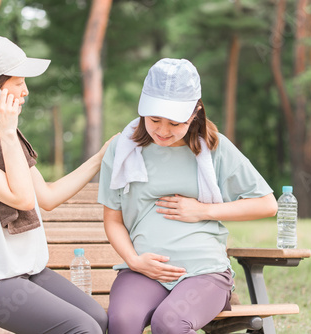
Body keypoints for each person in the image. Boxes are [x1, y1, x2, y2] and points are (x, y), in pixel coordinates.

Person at [0, 34, 111, 334]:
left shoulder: (7, 138)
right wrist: (8, 133)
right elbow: (21, 198)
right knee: (82, 329)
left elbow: (46, 197)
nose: (26, 91)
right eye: (18, 82)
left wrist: (100, 158)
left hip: (27, 273)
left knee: (98, 320)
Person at [98, 58, 278, 334]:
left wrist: (203, 211)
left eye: (174, 122)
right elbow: (112, 219)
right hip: (144, 270)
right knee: (122, 321)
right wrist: (135, 261)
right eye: (154, 119)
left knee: (169, 323)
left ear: (195, 112)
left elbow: (267, 204)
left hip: (203, 273)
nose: (162, 130)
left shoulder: (214, 147)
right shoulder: (123, 150)